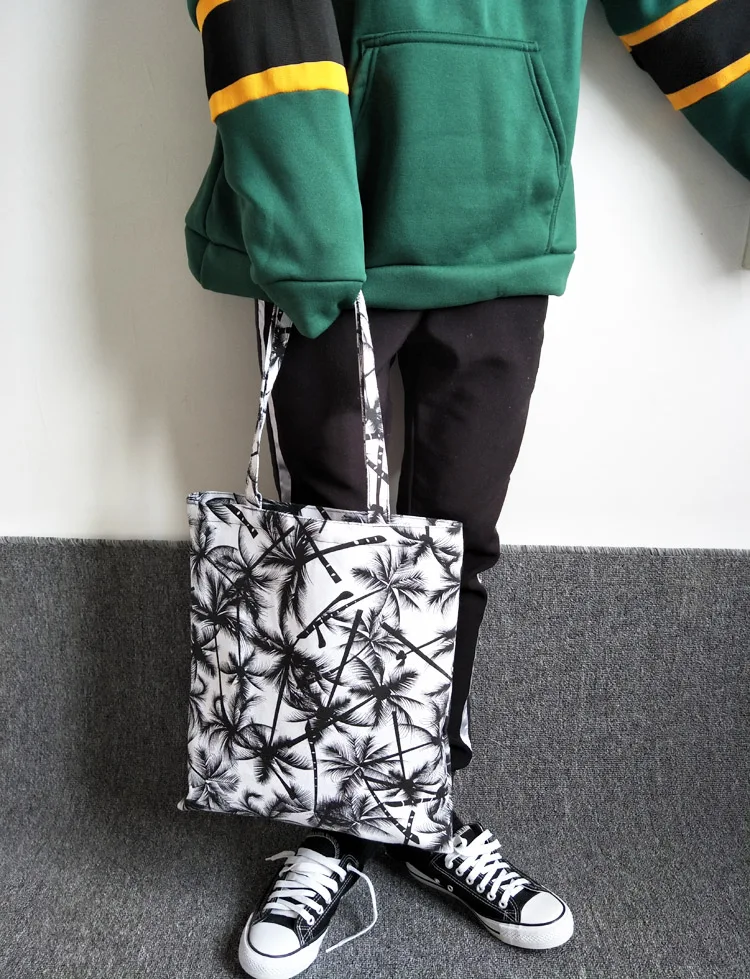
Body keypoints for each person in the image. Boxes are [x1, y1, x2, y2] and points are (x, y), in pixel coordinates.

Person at [183, 2, 750, 977]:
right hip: (333, 216)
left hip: (504, 211)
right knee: (328, 543)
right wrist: (302, 216)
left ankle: (422, 808)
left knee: (460, 544)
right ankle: (337, 829)